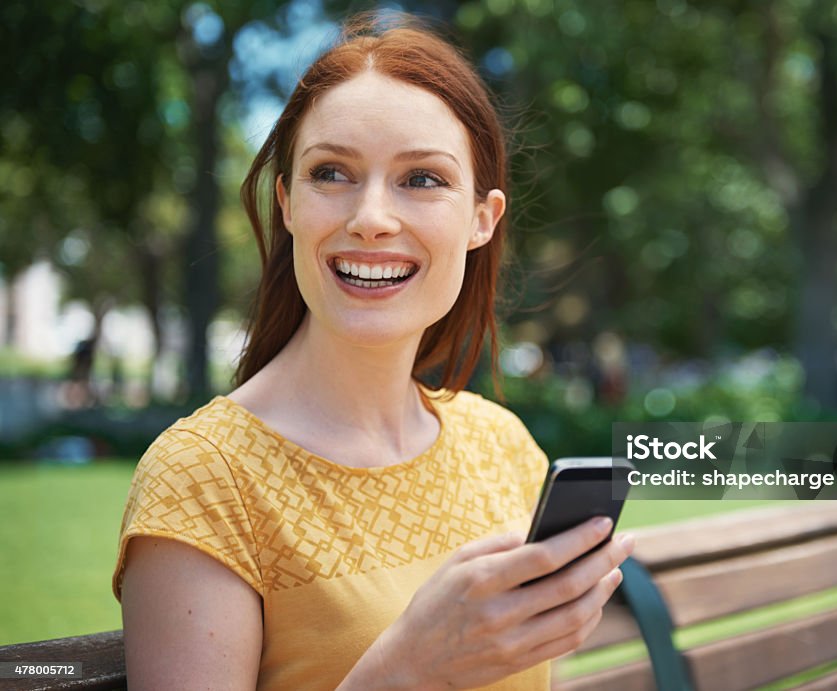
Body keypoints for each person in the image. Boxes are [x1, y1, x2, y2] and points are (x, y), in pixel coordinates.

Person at [112, 12, 634, 691]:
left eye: (421, 179)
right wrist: (408, 669)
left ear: (483, 218)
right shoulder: (203, 479)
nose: (371, 218)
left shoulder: (502, 445)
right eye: (331, 172)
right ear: (288, 203)